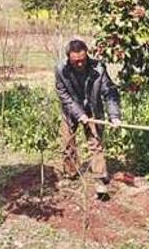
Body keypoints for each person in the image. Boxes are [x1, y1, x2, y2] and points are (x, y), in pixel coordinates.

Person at [54, 39, 121, 196]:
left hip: (92, 109)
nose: (79, 64)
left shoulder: (98, 67)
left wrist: (114, 115)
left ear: (87, 55)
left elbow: (109, 91)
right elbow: (63, 95)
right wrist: (79, 114)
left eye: (82, 60)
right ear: (68, 58)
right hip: (70, 110)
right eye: (75, 61)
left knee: (95, 142)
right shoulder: (60, 69)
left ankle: (100, 179)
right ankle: (71, 174)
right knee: (67, 143)